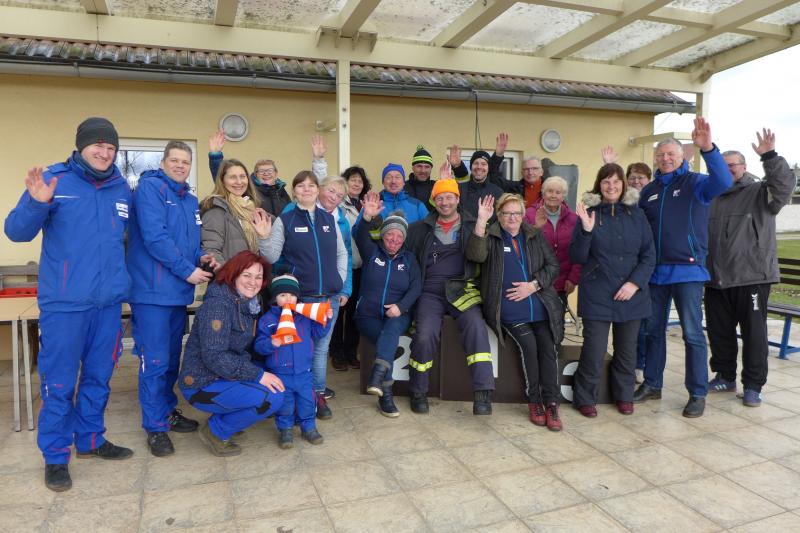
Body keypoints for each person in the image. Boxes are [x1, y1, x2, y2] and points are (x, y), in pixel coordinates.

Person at [5, 117, 134, 492]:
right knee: (59, 383)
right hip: (65, 306)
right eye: (97, 145)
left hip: (107, 306)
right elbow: (16, 231)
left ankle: (91, 439)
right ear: (80, 146)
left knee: (99, 377)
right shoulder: (54, 180)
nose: (104, 153)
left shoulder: (121, 188)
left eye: (110, 147)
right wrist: (36, 203)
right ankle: (56, 456)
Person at [633, 118, 733, 418]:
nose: (665, 158)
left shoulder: (696, 184)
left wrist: (709, 149)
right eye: (660, 154)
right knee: (653, 331)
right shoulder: (649, 191)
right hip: (655, 273)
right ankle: (652, 383)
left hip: (688, 272)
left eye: (670, 154)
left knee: (692, 334)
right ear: (655, 159)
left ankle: (697, 393)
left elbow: (724, 181)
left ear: (681, 157)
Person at [127, 141, 219, 457]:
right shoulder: (150, 190)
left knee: (169, 359)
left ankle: (166, 411)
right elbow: (155, 238)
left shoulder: (189, 199)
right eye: (175, 160)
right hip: (152, 292)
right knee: (153, 361)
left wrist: (201, 257)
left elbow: (187, 242)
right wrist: (187, 270)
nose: (180, 166)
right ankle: (154, 427)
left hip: (177, 293)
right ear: (163, 163)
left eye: (185, 161)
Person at [705, 129, 796, 406]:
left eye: (732, 165)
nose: (728, 170)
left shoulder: (760, 192)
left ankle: (753, 385)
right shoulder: (710, 196)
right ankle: (724, 375)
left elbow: (784, 185)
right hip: (716, 278)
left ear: (744, 167)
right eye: (722, 166)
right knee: (719, 332)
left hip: (751, 277)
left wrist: (770, 157)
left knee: (754, 336)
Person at [468, 193, 565, 430]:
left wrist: (533, 285)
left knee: (548, 347)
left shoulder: (534, 235)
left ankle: (552, 403)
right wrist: (481, 221)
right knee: (530, 347)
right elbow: (475, 255)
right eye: (507, 213)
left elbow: (553, 266)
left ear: (523, 215)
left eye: (517, 213)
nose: (512, 218)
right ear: (499, 215)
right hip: (508, 308)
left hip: (538, 305)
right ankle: (535, 401)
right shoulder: (491, 236)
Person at [404, 165, 495, 415]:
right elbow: (405, 260)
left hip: (462, 289)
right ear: (434, 201)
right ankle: (418, 391)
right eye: (440, 198)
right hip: (429, 292)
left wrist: (481, 224)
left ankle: (483, 392)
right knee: (424, 335)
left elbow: (479, 257)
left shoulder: (472, 224)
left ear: (457, 198)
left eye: (449, 197)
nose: (445, 202)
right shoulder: (419, 229)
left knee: (476, 328)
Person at [259, 171, 348, 419]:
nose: (306, 189)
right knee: (301, 350)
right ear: (294, 191)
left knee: (321, 349)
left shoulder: (329, 219)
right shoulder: (285, 220)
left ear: (318, 190)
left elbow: (342, 253)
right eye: (301, 185)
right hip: (302, 299)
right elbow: (271, 256)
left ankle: (317, 396)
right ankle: (297, 398)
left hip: (329, 297)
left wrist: (339, 280)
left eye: (311, 185)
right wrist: (264, 237)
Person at [178, 251, 285, 457]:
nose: (253, 282)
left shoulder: (248, 302)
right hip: (202, 383)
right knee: (273, 397)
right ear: (233, 274)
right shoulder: (218, 305)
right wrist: (258, 375)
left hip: (224, 374)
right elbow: (214, 356)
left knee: (276, 380)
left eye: (258, 277)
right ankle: (216, 431)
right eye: (246, 275)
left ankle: (226, 421)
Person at [569, 164, 655, 417]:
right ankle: (585, 398)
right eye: (606, 182)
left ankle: (624, 396)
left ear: (623, 185)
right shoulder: (588, 214)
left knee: (626, 351)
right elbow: (577, 256)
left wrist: (634, 284)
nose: (611, 186)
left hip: (631, 295)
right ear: (599, 185)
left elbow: (649, 255)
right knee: (594, 351)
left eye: (616, 181)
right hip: (598, 293)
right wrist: (586, 231)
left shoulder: (637, 215)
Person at [356, 201, 422, 417]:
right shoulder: (372, 252)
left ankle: (381, 385)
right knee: (388, 340)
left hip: (398, 314)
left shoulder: (410, 259)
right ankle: (383, 390)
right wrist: (366, 217)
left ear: (404, 239)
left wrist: (400, 307)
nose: (394, 240)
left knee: (391, 330)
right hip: (367, 314)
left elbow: (416, 287)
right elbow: (360, 235)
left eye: (399, 236)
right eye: (390, 235)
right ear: (383, 235)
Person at [254, 274, 333, 447]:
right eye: (283, 295)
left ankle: (309, 428)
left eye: (292, 295)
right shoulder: (267, 320)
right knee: (285, 404)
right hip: (280, 374)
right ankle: (285, 430)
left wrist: (326, 319)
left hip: (304, 372)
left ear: (298, 297)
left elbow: (318, 333)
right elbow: (259, 346)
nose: (288, 298)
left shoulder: (305, 317)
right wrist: (271, 343)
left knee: (307, 402)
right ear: (275, 298)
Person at [601, 147, 657, 384]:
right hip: (614, 282)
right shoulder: (606, 209)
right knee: (631, 333)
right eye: (631, 177)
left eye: (640, 177)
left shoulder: (643, 205)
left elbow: (648, 252)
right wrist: (609, 165)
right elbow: (609, 195)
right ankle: (633, 368)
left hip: (643, 273)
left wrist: (635, 281)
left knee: (641, 330)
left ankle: (639, 367)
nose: (635, 181)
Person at [207, 131, 327, 215]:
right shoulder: (248, 191)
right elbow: (222, 179)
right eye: (261, 171)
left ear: (276, 173)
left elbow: (313, 190)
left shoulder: (282, 192)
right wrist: (215, 156)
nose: (266, 174)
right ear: (255, 174)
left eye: (270, 170)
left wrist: (318, 159)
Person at [331, 166, 371, 371]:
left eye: (360, 181)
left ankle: (351, 352)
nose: (356, 184)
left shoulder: (366, 205)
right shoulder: (337, 205)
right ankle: (337, 352)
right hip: (340, 267)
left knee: (355, 312)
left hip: (361, 267)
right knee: (338, 312)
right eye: (352, 179)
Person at [200, 158, 271, 266]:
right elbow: (211, 251)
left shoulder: (250, 208)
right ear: (222, 181)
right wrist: (230, 274)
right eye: (233, 177)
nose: (239, 182)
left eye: (242, 176)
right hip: (230, 275)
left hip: (254, 274)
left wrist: (266, 231)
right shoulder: (216, 211)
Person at [524, 176, 580, 311]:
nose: (553, 195)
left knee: (557, 320)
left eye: (558, 192)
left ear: (563, 196)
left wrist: (573, 279)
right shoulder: (529, 214)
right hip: (534, 282)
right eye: (550, 191)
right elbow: (522, 244)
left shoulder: (574, 219)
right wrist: (536, 228)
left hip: (562, 283)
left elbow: (579, 251)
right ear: (543, 193)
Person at [449, 142, 504, 219]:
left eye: (483, 164)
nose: (479, 167)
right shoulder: (459, 189)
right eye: (476, 163)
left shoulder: (498, 192)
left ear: (488, 168)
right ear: (471, 167)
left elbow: (500, 218)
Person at [404, 145, 436, 211]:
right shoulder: (402, 187)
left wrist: (456, 168)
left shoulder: (437, 186)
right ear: (413, 168)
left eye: (427, 167)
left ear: (431, 168)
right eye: (419, 166)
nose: (423, 171)